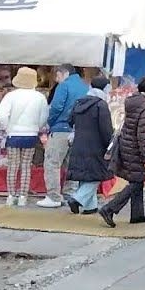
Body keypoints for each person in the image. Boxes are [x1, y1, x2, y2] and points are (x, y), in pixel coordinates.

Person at [99, 76, 145, 227]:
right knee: (137, 182)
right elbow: (143, 132)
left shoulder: (131, 100)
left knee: (136, 179)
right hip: (135, 146)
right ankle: (109, 209)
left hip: (126, 142)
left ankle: (137, 214)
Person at [0, 67, 48, 207]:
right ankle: (23, 196)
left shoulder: (11, 96)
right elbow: (43, 118)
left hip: (13, 135)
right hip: (31, 136)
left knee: (13, 166)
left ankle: (11, 195)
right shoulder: (40, 97)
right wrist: (36, 127)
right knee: (26, 166)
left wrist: (6, 127)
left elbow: (0, 116)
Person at [39, 63, 86, 208]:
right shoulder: (84, 86)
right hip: (78, 130)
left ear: (64, 73)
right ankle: (70, 192)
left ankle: (54, 196)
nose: (57, 80)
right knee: (71, 164)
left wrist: (50, 122)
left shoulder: (64, 86)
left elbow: (56, 107)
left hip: (61, 128)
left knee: (52, 162)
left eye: (58, 76)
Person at [66, 76, 115, 215]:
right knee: (97, 175)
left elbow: (70, 121)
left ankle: (90, 207)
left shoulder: (79, 102)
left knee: (85, 174)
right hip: (96, 146)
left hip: (78, 143)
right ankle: (77, 198)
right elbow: (106, 129)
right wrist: (109, 145)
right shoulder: (101, 105)